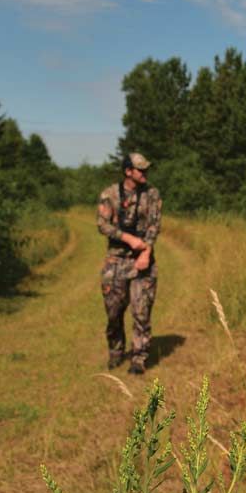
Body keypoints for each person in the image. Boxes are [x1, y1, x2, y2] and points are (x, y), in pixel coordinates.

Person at [97, 152, 163, 374]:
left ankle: (139, 358)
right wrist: (128, 239)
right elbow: (102, 225)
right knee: (114, 311)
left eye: (146, 169)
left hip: (142, 260)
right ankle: (116, 351)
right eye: (140, 170)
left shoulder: (152, 194)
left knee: (141, 311)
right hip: (116, 260)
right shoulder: (109, 194)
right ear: (128, 172)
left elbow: (154, 225)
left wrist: (146, 251)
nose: (145, 173)